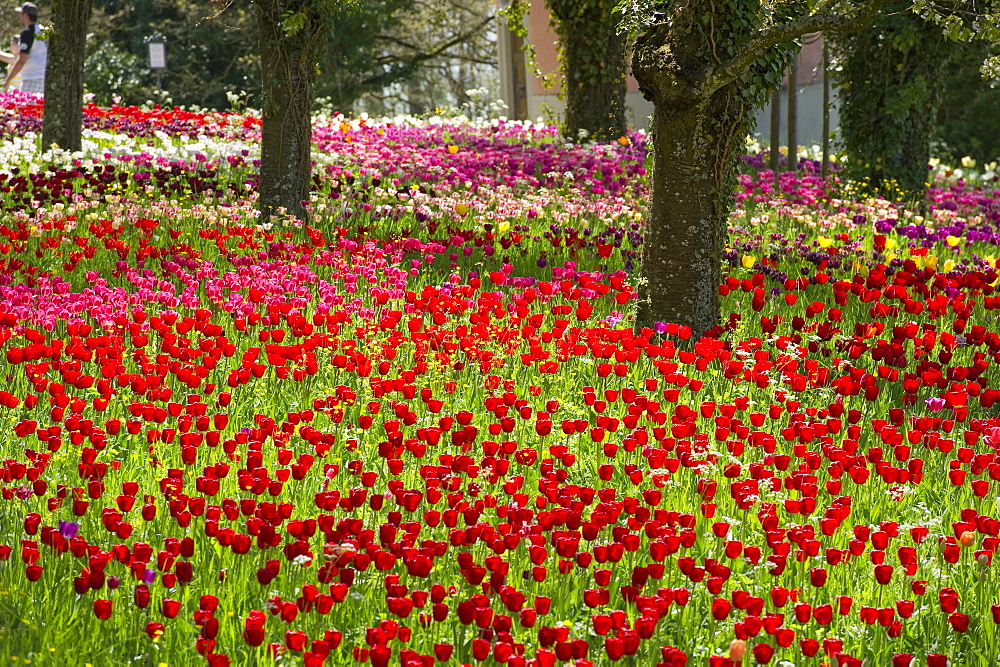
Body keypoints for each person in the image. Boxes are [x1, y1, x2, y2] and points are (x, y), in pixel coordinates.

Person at [1, 3, 46, 95]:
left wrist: (8, 80)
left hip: (31, 78)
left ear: (25, 15)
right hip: (44, 77)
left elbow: (22, 59)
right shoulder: (43, 30)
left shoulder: (28, 32)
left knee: (27, 108)